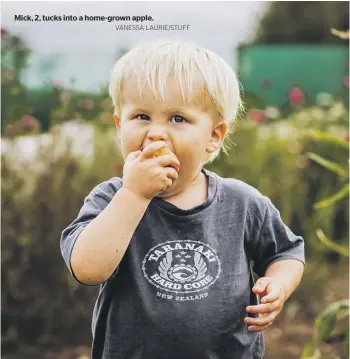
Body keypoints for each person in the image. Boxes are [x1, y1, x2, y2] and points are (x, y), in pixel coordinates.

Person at [60, 40, 305, 359]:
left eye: (177, 118)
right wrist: (134, 195)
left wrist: (278, 285)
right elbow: (88, 269)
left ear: (213, 136)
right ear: (120, 125)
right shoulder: (112, 199)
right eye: (142, 116)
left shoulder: (242, 202)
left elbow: (285, 251)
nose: (156, 133)